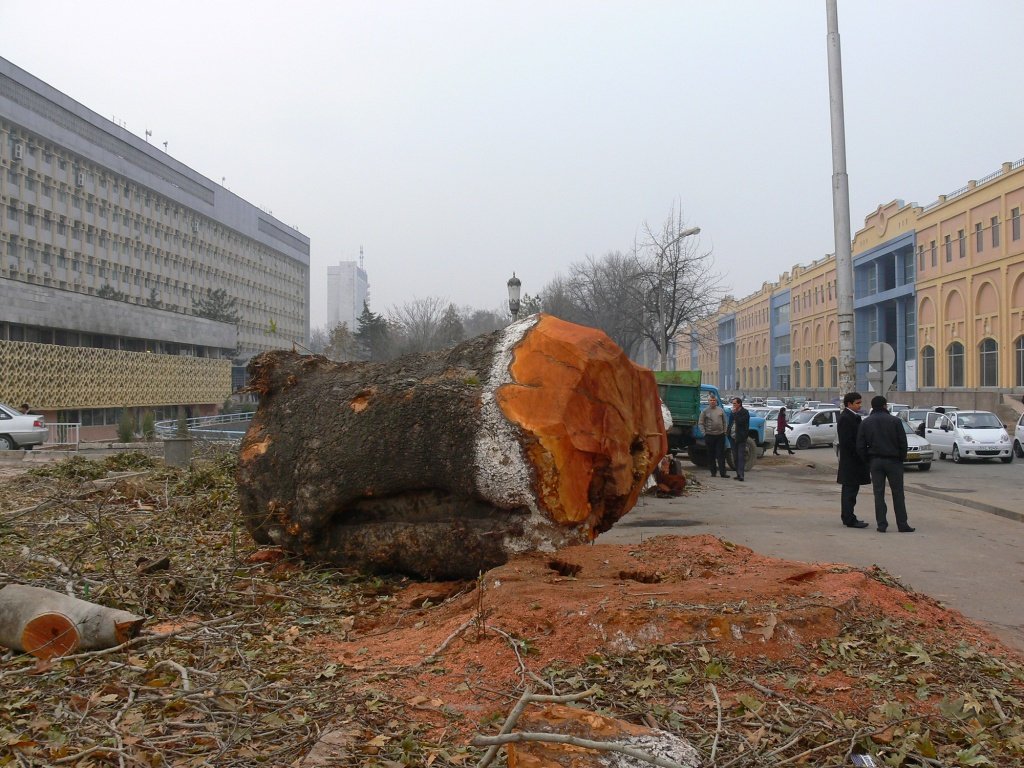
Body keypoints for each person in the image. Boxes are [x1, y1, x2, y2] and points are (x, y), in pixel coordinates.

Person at [856, 395, 914, 533]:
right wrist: (901, 458)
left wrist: (868, 460)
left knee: (878, 493)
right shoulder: (895, 421)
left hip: (875, 461)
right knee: (898, 493)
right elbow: (903, 443)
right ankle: (902, 524)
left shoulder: (866, 422)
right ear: (884, 406)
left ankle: (882, 524)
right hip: (894, 461)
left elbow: (860, 445)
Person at [835, 392, 870, 529]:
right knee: (849, 492)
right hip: (851, 462)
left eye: (860, 403)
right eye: (857, 403)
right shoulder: (846, 418)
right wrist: (860, 453)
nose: (860, 406)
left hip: (854, 461)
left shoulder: (853, 417)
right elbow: (847, 442)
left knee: (852, 491)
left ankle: (849, 516)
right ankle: (849, 518)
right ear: (849, 404)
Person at [698, 394, 729, 478]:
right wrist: (704, 433)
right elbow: (700, 423)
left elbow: (725, 422)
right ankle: (713, 472)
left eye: (714, 400)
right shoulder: (705, 411)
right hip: (709, 436)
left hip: (720, 436)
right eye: (711, 400)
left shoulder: (721, 410)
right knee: (711, 455)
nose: (712, 402)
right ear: (708, 401)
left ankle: (723, 473)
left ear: (716, 401)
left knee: (720, 454)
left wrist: (725, 431)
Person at [728, 396, 750, 481]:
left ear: (739, 404)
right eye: (733, 403)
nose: (733, 405)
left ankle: (741, 475)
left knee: (741, 456)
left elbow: (740, 422)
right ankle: (738, 473)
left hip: (741, 438)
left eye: (734, 404)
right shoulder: (732, 412)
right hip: (732, 437)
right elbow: (730, 423)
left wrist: (735, 413)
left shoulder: (745, 412)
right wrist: (728, 433)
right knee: (735, 457)